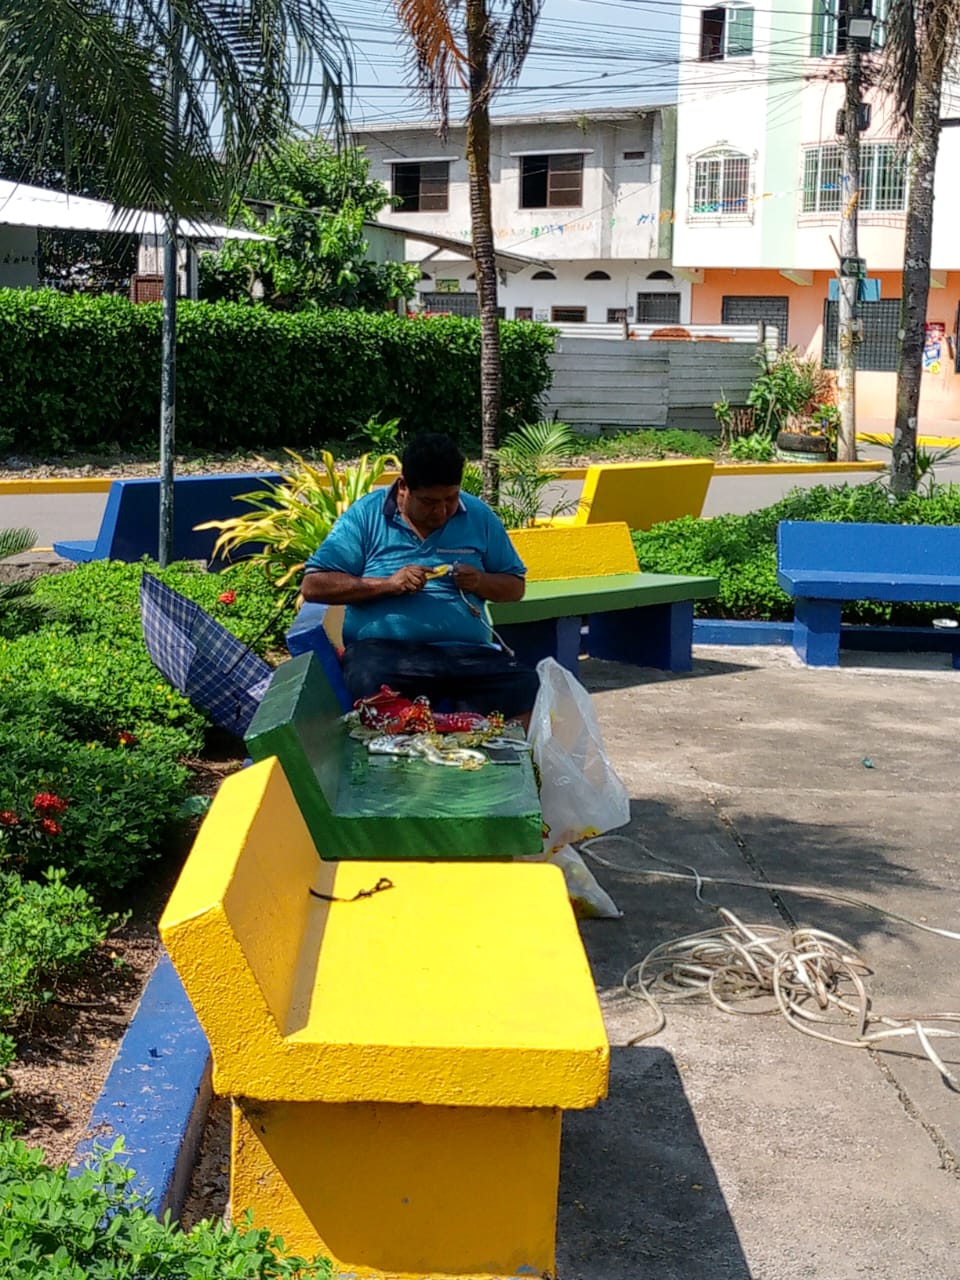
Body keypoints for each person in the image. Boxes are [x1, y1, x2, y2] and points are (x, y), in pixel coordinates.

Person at [300, 432, 540, 723]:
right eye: (429, 502)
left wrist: (480, 581)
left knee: (527, 684)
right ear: (403, 486)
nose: (441, 511)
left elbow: (515, 587)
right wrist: (388, 585)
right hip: (384, 655)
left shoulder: (478, 516)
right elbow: (314, 585)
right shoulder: (366, 515)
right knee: (369, 679)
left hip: (467, 655)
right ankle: (394, 753)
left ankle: (498, 752)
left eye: (451, 498)